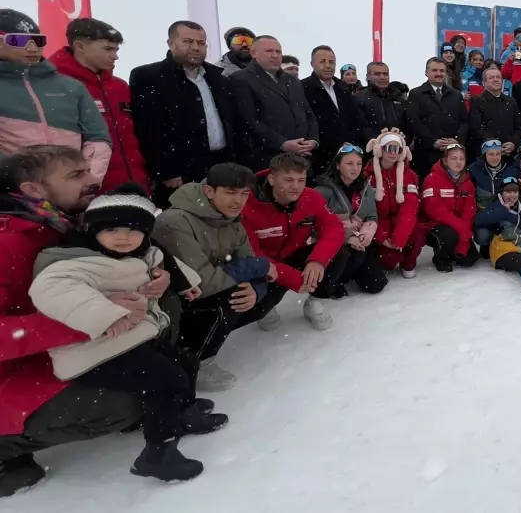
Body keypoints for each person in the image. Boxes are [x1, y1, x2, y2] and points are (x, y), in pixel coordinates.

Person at [28, 185, 226, 483]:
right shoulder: (71, 261)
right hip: (92, 351)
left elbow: (158, 256)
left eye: (134, 231)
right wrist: (106, 314)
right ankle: (158, 454)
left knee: (186, 362)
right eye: (113, 229)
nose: (124, 237)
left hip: (128, 339)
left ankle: (185, 415)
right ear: (93, 230)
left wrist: (172, 278)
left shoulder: (137, 251)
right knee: (167, 380)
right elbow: (54, 290)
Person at [0, 146, 146, 496]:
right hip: (15, 375)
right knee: (127, 402)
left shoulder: (59, 223)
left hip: (59, 353)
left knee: (157, 362)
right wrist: (90, 318)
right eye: (76, 175)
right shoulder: (7, 242)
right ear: (33, 190)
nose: (94, 179)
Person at [152, 162, 275, 392]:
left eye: (244, 194)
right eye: (230, 192)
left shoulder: (229, 218)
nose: (238, 200)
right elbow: (202, 284)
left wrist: (255, 288)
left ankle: (213, 335)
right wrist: (259, 267)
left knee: (265, 290)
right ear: (209, 191)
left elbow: (246, 258)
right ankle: (198, 360)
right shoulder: (175, 221)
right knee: (231, 296)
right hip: (175, 303)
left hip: (213, 284)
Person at [130, 21, 239, 209]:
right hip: (180, 172)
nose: (196, 47)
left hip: (220, 165)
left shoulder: (218, 78)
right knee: (184, 227)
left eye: (201, 42)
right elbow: (148, 127)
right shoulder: (149, 76)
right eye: (188, 41)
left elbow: (230, 122)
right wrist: (167, 170)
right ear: (171, 43)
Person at [240, 153, 347, 331]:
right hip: (261, 266)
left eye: (301, 180)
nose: (296, 187)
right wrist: (292, 278)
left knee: (339, 253)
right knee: (256, 308)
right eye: (288, 180)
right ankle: (267, 307)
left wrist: (317, 260)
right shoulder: (247, 205)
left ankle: (315, 302)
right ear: (272, 179)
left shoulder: (310, 197)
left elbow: (334, 228)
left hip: (292, 254)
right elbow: (250, 252)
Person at [0, 9, 111, 178]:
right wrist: (15, 184)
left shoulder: (71, 87)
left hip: (72, 195)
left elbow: (98, 138)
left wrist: (85, 180)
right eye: (18, 40)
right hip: (13, 195)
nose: (31, 47)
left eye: (38, 41)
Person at [49, 18, 148, 193]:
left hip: (135, 187)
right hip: (84, 191)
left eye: (116, 50)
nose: (115, 56)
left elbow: (136, 135)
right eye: (108, 49)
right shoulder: (53, 86)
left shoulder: (120, 86)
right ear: (80, 46)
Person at [229, 35, 319, 171]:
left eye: (278, 51)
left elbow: (307, 113)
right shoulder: (241, 79)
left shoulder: (292, 81)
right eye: (269, 51)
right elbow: (249, 121)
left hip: (301, 158)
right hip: (267, 160)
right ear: (253, 53)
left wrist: (313, 140)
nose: (275, 55)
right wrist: (282, 143)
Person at [313, 145, 388, 298]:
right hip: (333, 243)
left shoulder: (366, 187)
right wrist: (348, 237)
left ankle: (351, 273)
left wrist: (365, 235)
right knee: (348, 254)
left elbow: (372, 216)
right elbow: (316, 224)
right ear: (338, 165)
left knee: (376, 284)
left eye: (358, 164)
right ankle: (335, 280)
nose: (355, 168)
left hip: (359, 239)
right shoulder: (322, 190)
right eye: (349, 163)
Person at [301, 45, 369, 174]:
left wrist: (352, 144)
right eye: (322, 61)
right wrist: (336, 144)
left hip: (348, 157)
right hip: (320, 158)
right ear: (312, 64)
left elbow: (356, 120)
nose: (328, 65)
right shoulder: (303, 88)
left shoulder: (343, 89)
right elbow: (308, 122)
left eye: (332, 62)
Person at [363, 131, 422, 277]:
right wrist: (381, 236)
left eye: (398, 149)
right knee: (388, 261)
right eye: (389, 148)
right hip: (378, 224)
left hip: (400, 220)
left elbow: (410, 208)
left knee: (418, 232)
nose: (393, 153)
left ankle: (408, 263)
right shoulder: (366, 176)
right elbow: (367, 211)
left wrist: (399, 238)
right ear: (380, 149)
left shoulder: (410, 175)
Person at [419, 144, 479, 272]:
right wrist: (462, 228)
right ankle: (441, 257)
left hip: (459, 226)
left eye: (462, 159)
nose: (458, 162)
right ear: (445, 161)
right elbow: (433, 209)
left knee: (470, 259)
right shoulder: (432, 179)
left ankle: (453, 250)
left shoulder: (467, 183)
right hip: (434, 225)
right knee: (449, 235)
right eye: (454, 158)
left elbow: (470, 210)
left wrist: (464, 240)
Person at [406, 58, 469, 177]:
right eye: (434, 70)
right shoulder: (416, 94)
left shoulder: (455, 95)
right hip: (425, 154)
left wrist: (457, 140)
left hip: (452, 154)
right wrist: (432, 141)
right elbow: (413, 121)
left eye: (442, 70)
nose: (439, 74)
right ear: (426, 72)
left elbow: (464, 121)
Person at [469, 140, 520, 248]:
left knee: (509, 231)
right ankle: (487, 243)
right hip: (484, 213)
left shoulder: (510, 170)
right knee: (482, 236)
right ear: (484, 155)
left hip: (504, 213)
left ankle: (499, 243)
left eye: (498, 154)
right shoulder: (474, 170)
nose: (495, 157)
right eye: (491, 154)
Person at [468, 67, 521, 157]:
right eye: (491, 78)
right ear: (484, 83)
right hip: (486, 154)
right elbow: (475, 129)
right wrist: (494, 145)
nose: (496, 80)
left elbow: (519, 127)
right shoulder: (477, 101)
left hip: (509, 154)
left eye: (498, 77)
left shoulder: (511, 101)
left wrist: (513, 143)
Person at [356, 61, 407, 139]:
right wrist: (379, 141)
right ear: (368, 76)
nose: (382, 77)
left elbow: (408, 124)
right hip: (369, 147)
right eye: (377, 74)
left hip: (398, 147)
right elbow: (359, 126)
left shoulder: (398, 97)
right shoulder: (359, 98)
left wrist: (404, 139)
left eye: (385, 74)